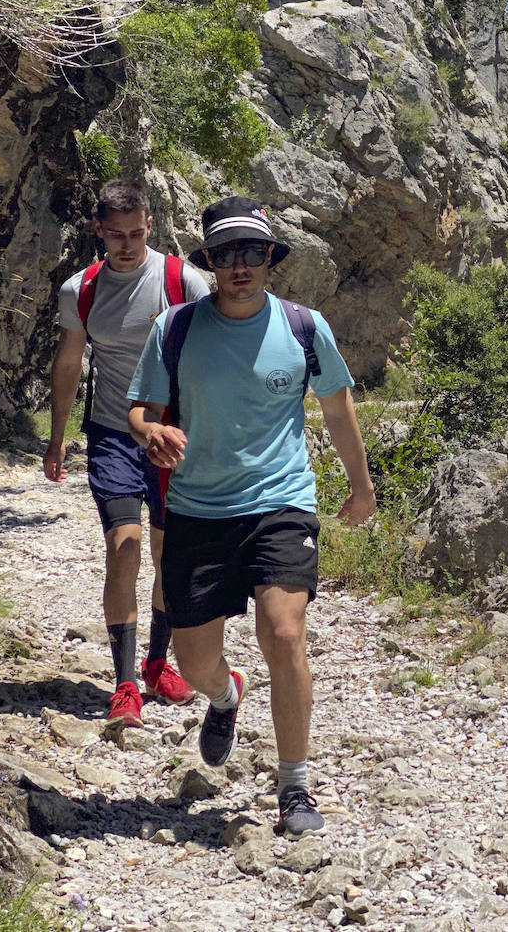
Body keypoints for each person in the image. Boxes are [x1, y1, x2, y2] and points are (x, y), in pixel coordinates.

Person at [127, 196, 376, 839]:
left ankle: (294, 787)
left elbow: (339, 410)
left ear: (270, 258)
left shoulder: (303, 327)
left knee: (285, 633)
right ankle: (225, 695)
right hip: (197, 510)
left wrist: (362, 486)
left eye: (252, 253)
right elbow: (141, 409)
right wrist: (150, 432)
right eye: (225, 253)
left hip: (280, 504)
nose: (239, 266)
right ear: (208, 261)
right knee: (194, 659)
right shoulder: (175, 329)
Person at [44, 179, 211, 727]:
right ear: (98, 230)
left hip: (173, 436)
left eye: (137, 233)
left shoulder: (179, 280)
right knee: (125, 546)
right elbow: (70, 365)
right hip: (113, 433)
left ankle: (159, 663)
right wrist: (56, 439)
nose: (127, 244)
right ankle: (124, 685)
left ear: (150, 226)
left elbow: (217, 354)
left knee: (168, 551)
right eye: (115, 234)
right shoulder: (81, 290)